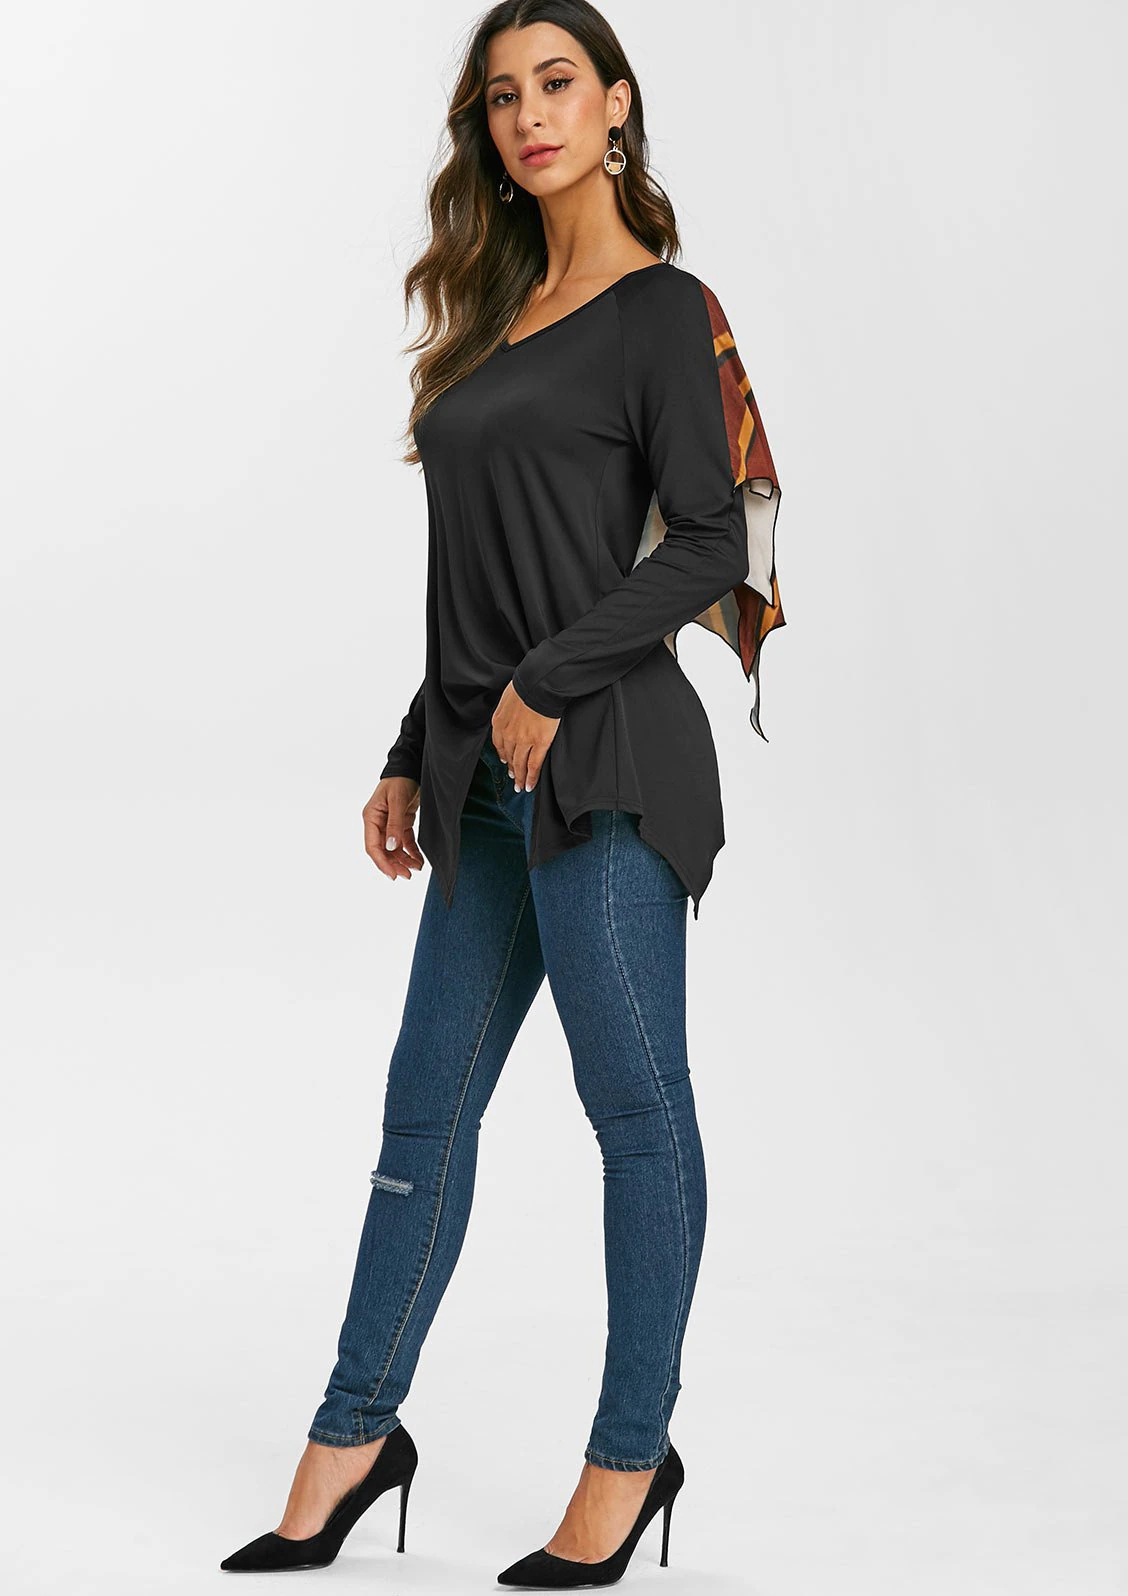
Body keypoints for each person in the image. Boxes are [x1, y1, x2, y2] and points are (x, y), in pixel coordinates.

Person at [220, 1, 784, 1585]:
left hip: (606, 771)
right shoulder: (494, 316)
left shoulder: (664, 310)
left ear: (616, 104)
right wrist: (417, 742)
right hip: (482, 776)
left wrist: (547, 680)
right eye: (502, 97)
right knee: (424, 1114)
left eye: (557, 83)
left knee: (637, 1121)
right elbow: (473, 577)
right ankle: (354, 1434)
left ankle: (630, 1457)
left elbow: (709, 540)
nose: (530, 115)